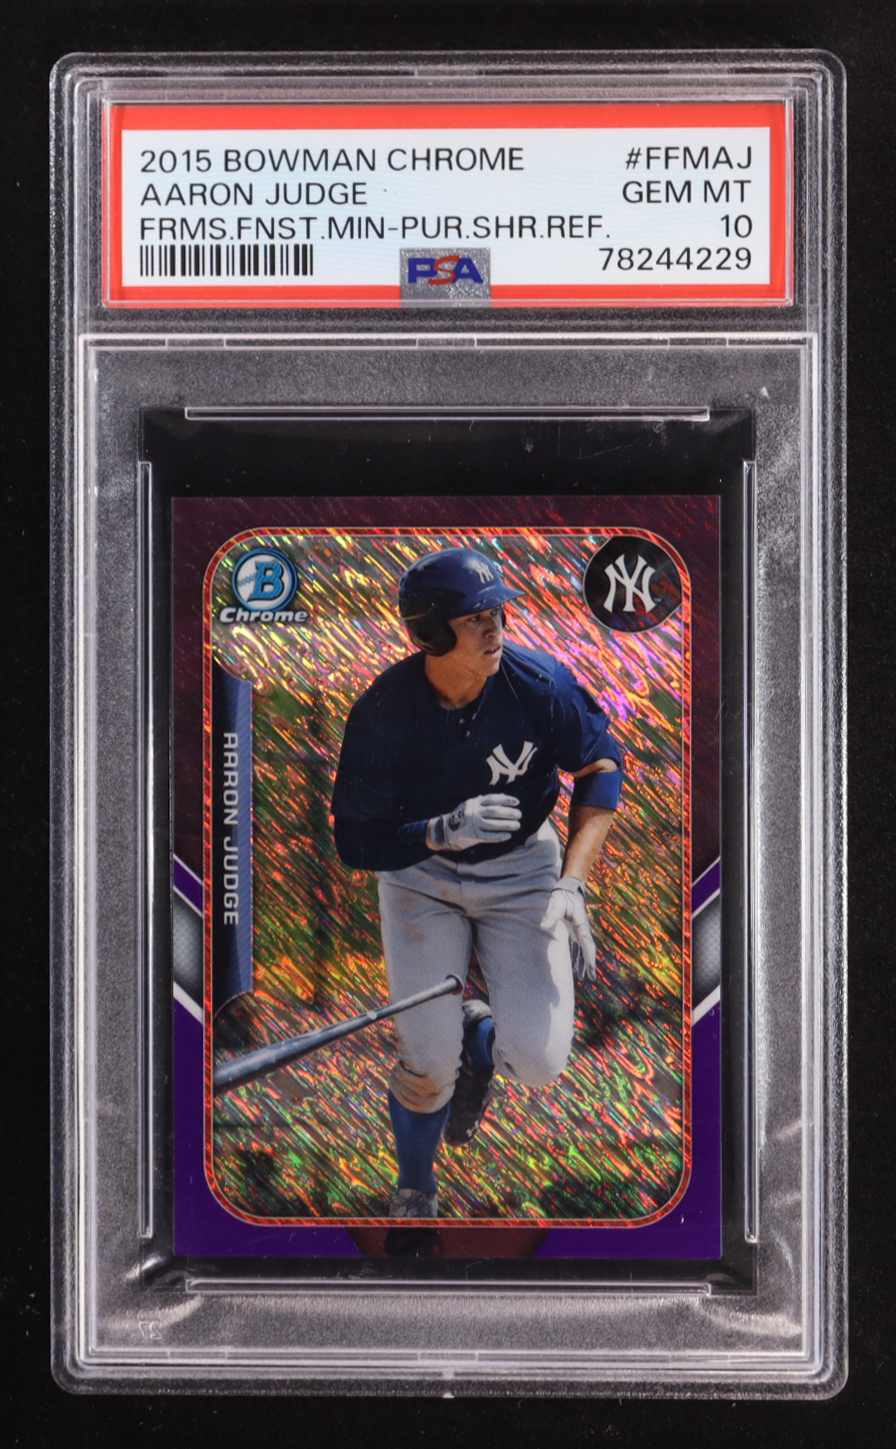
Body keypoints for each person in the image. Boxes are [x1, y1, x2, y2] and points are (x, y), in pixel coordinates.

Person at [331, 547, 623, 1220]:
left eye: (499, 613)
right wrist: (438, 831)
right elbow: (355, 842)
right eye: (475, 618)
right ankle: (416, 1191)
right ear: (431, 633)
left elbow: (602, 765)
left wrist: (572, 884)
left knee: (541, 1062)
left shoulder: (539, 683)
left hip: (522, 867)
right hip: (419, 876)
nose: (496, 628)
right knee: (429, 1061)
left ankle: (480, 1034)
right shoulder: (383, 712)